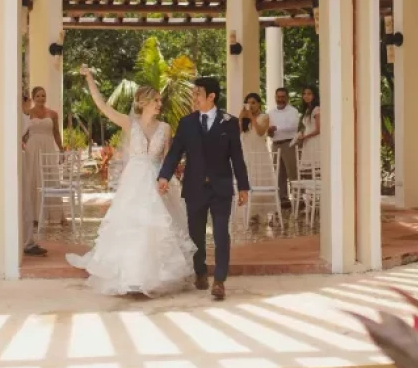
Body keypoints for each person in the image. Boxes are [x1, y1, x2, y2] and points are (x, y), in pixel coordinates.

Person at [66, 66, 196, 297]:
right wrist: (90, 79)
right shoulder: (129, 123)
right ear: (143, 102)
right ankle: (130, 277)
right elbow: (103, 106)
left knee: (156, 227)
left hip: (156, 181)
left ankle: (154, 277)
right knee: (132, 226)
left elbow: (168, 159)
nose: (159, 103)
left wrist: (167, 181)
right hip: (134, 182)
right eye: (155, 100)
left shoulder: (165, 129)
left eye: (159, 100)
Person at [158, 77, 250, 301]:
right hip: (194, 187)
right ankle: (200, 271)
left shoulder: (229, 122)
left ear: (211, 96)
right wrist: (164, 175)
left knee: (221, 234)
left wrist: (244, 187)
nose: (194, 98)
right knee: (196, 234)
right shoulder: (187, 123)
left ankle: (219, 280)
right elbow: (175, 152)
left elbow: (237, 157)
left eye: (198, 94)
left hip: (221, 187)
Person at [23, 86, 65, 231]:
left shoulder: (53, 113)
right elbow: (22, 132)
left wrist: (61, 149)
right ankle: (33, 215)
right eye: (38, 96)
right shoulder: (27, 113)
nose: (41, 98)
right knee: (33, 178)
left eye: (43, 95)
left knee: (50, 177)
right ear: (33, 98)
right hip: (33, 147)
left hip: (48, 146)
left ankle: (55, 215)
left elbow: (56, 133)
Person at [239, 93, 274, 221]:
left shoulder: (264, 116)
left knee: (259, 180)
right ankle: (249, 211)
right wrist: (241, 118)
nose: (251, 105)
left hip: (259, 153)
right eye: (249, 103)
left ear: (259, 103)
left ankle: (260, 212)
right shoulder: (245, 119)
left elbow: (260, 132)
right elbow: (237, 133)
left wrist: (252, 117)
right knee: (247, 179)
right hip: (246, 152)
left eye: (254, 102)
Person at [21, 93, 47, 257]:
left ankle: (27, 239)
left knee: (25, 199)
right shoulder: (21, 117)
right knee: (24, 199)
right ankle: (27, 241)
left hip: (23, 153)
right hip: (20, 156)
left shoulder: (22, 117)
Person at [267, 87, 299, 209]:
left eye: (283, 97)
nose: (280, 99)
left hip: (288, 143)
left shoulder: (293, 111)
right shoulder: (271, 113)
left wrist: (276, 128)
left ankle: (298, 198)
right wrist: (270, 132)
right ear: (275, 97)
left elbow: (293, 127)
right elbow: (269, 129)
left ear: (287, 98)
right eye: (278, 97)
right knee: (279, 173)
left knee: (292, 172)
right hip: (275, 144)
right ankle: (283, 198)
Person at [294, 86, 321, 166]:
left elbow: (318, 129)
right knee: (309, 169)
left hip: (315, 141)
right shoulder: (307, 110)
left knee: (316, 168)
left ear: (314, 95)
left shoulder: (317, 109)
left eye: (309, 94)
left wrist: (305, 137)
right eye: (304, 94)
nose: (306, 96)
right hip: (308, 141)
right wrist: (302, 134)